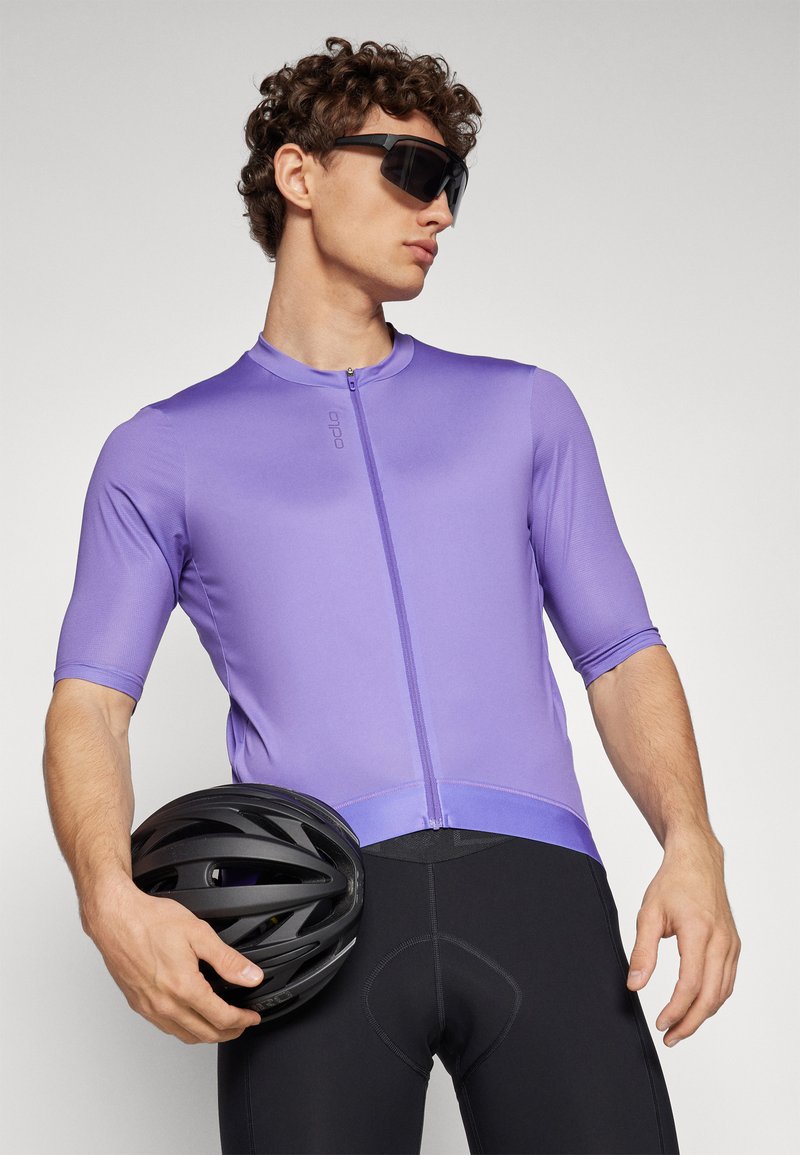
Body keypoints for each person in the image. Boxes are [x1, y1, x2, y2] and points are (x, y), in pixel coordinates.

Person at [43, 35, 740, 1155]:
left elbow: (619, 652)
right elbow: (90, 702)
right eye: (411, 171)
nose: (441, 210)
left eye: (452, 180)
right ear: (299, 174)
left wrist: (691, 840)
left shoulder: (523, 409)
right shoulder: (164, 450)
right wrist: (107, 898)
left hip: (541, 901)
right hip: (312, 913)